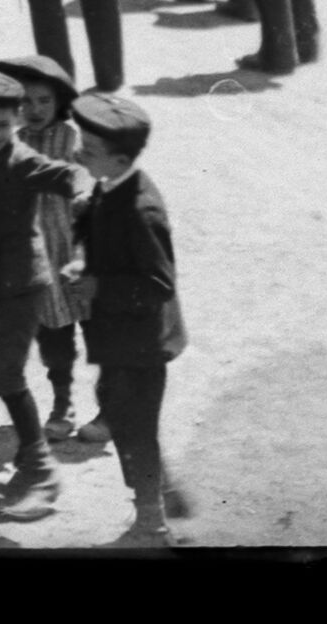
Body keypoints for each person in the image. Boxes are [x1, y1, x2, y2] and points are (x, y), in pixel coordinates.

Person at [0, 67, 90, 522]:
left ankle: (42, 470)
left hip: (25, 282)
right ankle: (29, 459)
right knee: (4, 373)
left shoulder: (24, 159)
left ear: (15, 120)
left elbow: (68, 174)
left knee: (6, 373)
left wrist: (83, 189)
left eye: (2, 125)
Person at [69, 91, 191, 546]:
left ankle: (152, 523)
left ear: (120, 159)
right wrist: (83, 217)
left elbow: (159, 284)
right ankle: (161, 489)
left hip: (141, 342)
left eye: (89, 149)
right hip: (120, 334)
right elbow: (102, 215)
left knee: (133, 425)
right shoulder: (112, 184)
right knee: (119, 408)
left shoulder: (142, 211)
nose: (78, 152)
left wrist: (98, 286)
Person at [0, 55, 88, 440]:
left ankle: (112, 405)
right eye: (25, 102)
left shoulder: (73, 139)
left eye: (44, 100)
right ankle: (63, 402)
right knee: (53, 335)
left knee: (101, 329)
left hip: (79, 249)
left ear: (60, 101)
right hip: (42, 255)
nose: (34, 110)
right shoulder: (11, 145)